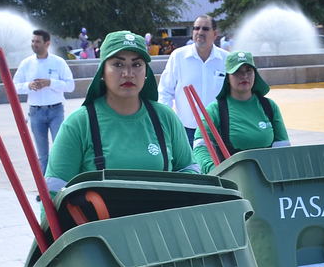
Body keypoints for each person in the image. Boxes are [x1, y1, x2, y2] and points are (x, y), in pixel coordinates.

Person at [45, 31, 199, 198]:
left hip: (163, 215)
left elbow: (189, 170)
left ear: (146, 72)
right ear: (102, 72)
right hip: (101, 216)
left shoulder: (166, 117)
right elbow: (54, 191)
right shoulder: (78, 124)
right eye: (118, 64)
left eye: (137, 64)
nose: (128, 73)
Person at [192, 51, 290, 173]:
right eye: (237, 71)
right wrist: (215, 170)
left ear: (255, 74)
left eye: (249, 70)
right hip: (231, 178)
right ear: (228, 77)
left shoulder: (269, 106)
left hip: (268, 176)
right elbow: (200, 147)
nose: (244, 76)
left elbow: (283, 146)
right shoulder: (214, 110)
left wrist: (281, 172)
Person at [12, 29, 76, 174]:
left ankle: (59, 180)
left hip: (55, 111)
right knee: (42, 154)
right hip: (36, 112)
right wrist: (29, 86)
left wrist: (50, 82)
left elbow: (70, 86)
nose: (34, 44)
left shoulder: (58, 62)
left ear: (47, 44)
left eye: (37, 42)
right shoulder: (26, 63)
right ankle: (44, 185)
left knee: (59, 148)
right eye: (32, 41)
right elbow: (14, 86)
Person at [157, 14, 227, 147]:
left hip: (218, 131)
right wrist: (165, 121)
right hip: (186, 131)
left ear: (215, 34)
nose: (200, 32)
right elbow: (165, 92)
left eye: (205, 29)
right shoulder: (178, 56)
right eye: (196, 28)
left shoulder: (226, 59)